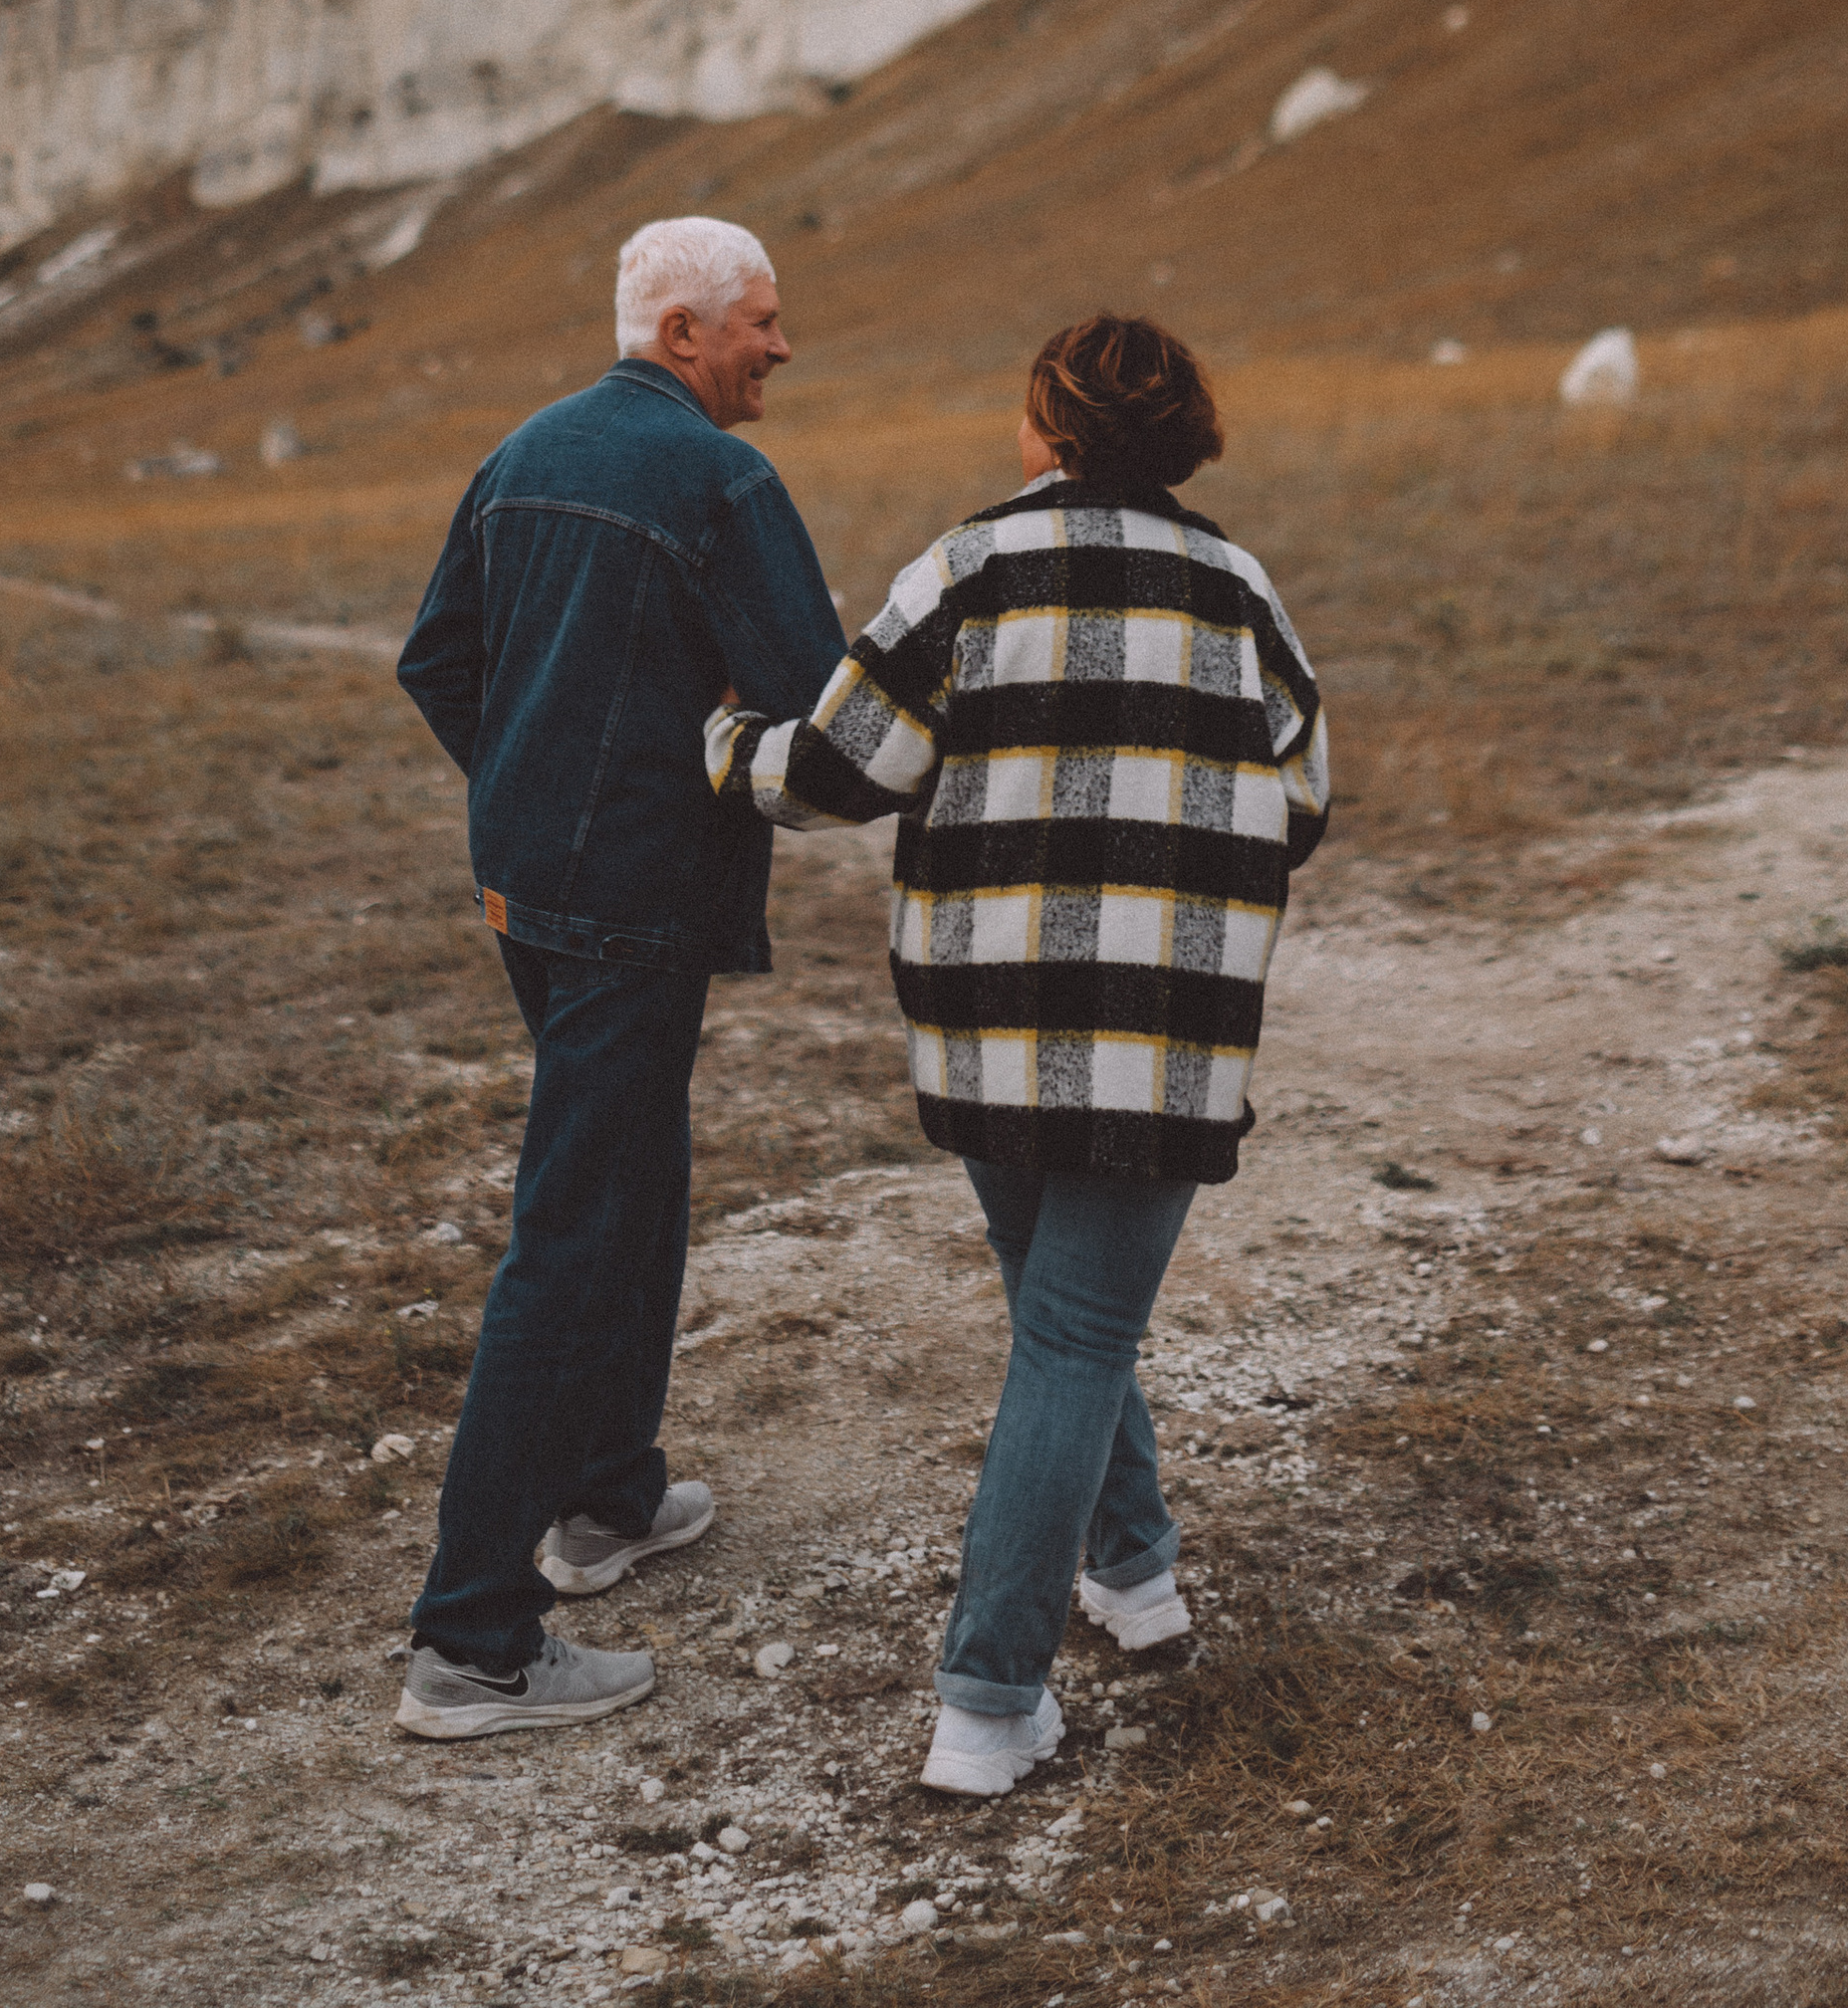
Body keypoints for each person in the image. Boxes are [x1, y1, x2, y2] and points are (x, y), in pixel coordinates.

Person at [706, 310, 1328, 1797]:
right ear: (1181, 437)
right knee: (1076, 1328)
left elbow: (843, 772)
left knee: (1060, 1324)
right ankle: (1071, 1631)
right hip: (1165, 1034)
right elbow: (1303, 796)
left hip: (986, 1026)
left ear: (1046, 429)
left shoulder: (966, 568)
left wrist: (727, 741)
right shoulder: (1240, 590)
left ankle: (1046, 1648)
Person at [391, 213, 847, 1741]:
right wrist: (696, 755)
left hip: (527, 889)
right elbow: (811, 701)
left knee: (634, 1172)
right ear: (683, 336)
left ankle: (607, 1504)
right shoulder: (723, 479)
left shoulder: (521, 450)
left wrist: (528, 778)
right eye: (763, 323)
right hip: (636, 899)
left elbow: (435, 662)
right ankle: (472, 1641)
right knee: (577, 1224)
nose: (782, 346)